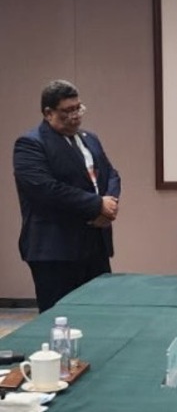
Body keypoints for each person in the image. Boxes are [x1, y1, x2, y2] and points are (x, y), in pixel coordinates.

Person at [13, 80, 121, 312]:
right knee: (61, 318)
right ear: (48, 113)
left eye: (78, 108)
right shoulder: (31, 144)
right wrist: (96, 205)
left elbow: (111, 173)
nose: (75, 116)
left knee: (100, 315)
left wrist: (109, 204)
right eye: (67, 111)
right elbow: (46, 190)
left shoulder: (89, 139)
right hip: (56, 249)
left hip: (95, 245)